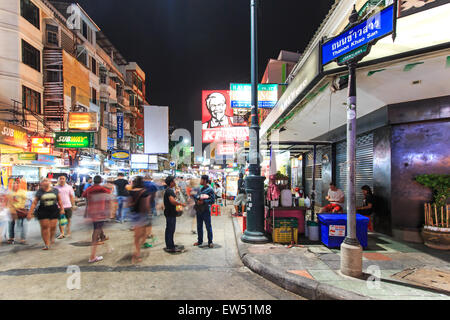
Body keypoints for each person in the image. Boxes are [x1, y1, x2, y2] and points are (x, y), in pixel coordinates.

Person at [28, 178, 65, 250]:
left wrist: (62, 209)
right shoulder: (39, 191)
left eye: (47, 180)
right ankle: (46, 244)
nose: (45, 182)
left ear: (50, 182)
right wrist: (30, 212)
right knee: (45, 227)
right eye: (43, 181)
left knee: (53, 226)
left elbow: (59, 200)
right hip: (43, 210)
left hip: (54, 210)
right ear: (41, 183)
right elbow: (34, 203)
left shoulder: (55, 190)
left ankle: (51, 237)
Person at [82, 175, 111, 263]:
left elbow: (83, 195)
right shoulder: (102, 188)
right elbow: (109, 193)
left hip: (92, 211)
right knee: (96, 230)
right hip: (100, 212)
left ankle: (102, 237)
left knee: (97, 227)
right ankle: (92, 256)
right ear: (101, 180)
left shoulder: (89, 189)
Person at [128, 176, 152, 263]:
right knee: (140, 236)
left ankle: (137, 252)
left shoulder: (130, 192)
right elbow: (147, 205)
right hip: (142, 216)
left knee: (138, 236)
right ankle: (136, 255)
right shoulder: (144, 192)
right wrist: (149, 213)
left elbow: (128, 204)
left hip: (134, 215)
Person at [163, 176, 186, 253]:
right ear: (171, 182)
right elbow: (172, 201)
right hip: (170, 213)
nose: (175, 182)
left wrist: (175, 193)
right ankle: (170, 247)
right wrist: (181, 204)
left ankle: (170, 244)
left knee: (169, 229)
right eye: (174, 181)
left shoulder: (169, 190)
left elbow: (172, 198)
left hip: (169, 212)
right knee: (170, 229)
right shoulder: (169, 190)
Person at [193, 175, 216, 248]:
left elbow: (212, 201)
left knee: (208, 226)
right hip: (199, 210)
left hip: (206, 210)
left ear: (205, 181)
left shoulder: (210, 189)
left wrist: (204, 202)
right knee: (199, 226)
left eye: (201, 180)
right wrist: (197, 199)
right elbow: (197, 197)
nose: (200, 181)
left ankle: (210, 242)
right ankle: (200, 241)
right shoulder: (200, 188)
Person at [7, 178, 29, 244]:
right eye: (14, 183)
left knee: (23, 225)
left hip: (21, 211)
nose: (15, 185)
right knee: (10, 224)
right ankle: (11, 238)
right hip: (12, 211)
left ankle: (23, 238)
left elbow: (25, 201)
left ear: (19, 184)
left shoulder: (23, 192)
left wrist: (21, 208)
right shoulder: (9, 192)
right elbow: (8, 202)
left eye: (17, 183)